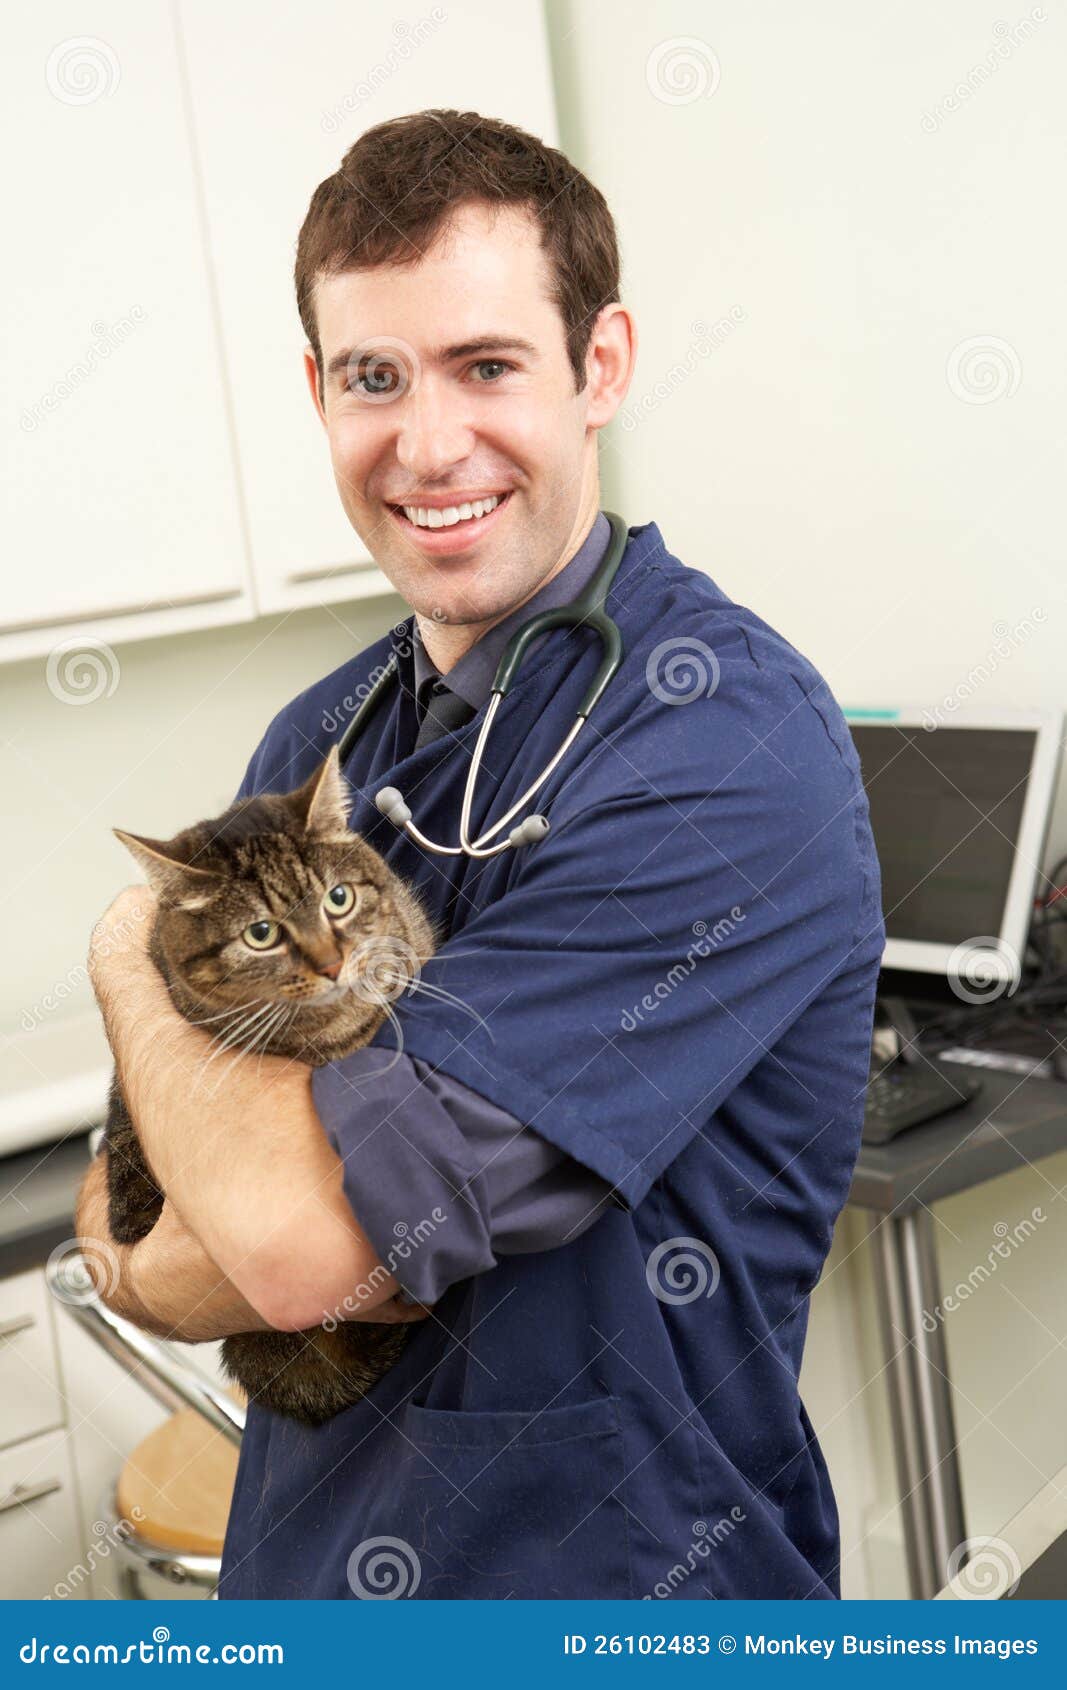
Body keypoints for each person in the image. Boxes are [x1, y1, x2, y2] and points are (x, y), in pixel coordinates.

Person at [78, 109, 885, 1601]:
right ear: (318, 393)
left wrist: (124, 949)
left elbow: (290, 1250)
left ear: (602, 367)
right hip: (313, 1575)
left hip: (610, 1585)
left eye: (487, 365)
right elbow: (132, 1214)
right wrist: (189, 1228)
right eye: (374, 377)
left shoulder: (724, 745)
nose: (428, 442)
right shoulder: (318, 741)